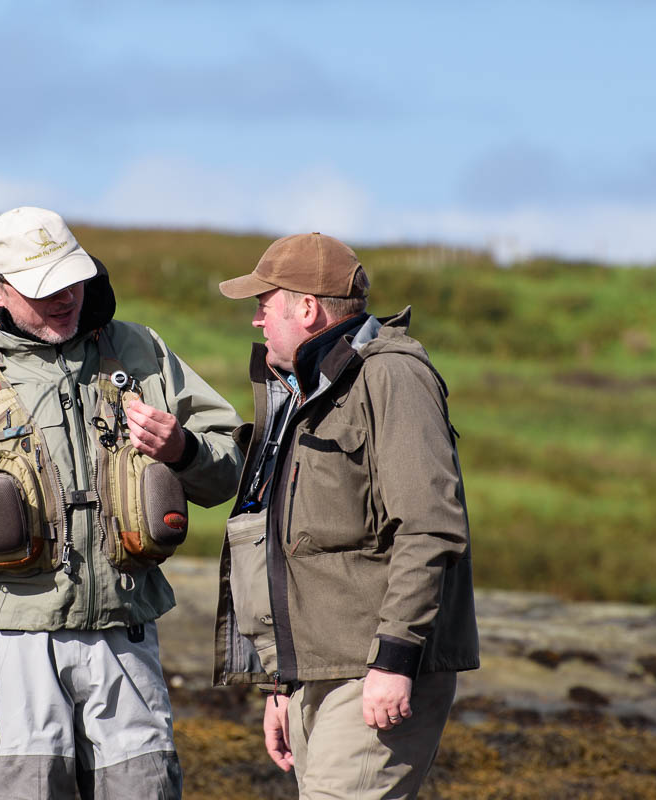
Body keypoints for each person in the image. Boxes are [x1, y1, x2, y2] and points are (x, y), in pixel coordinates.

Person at [0, 206, 242, 799]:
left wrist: (182, 449)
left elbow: (227, 472)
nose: (65, 298)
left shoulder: (139, 351)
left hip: (126, 639)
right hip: (14, 653)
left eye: (71, 279)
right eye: (43, 287)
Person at [212, 233, 479, 799]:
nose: (257, 321)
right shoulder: (305, 387)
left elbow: (430, 526)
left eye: (264, 304)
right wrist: (280, 682)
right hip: (316, 672)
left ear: (306, 308)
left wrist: (395, 659)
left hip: (371, 670)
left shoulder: (390, 376)